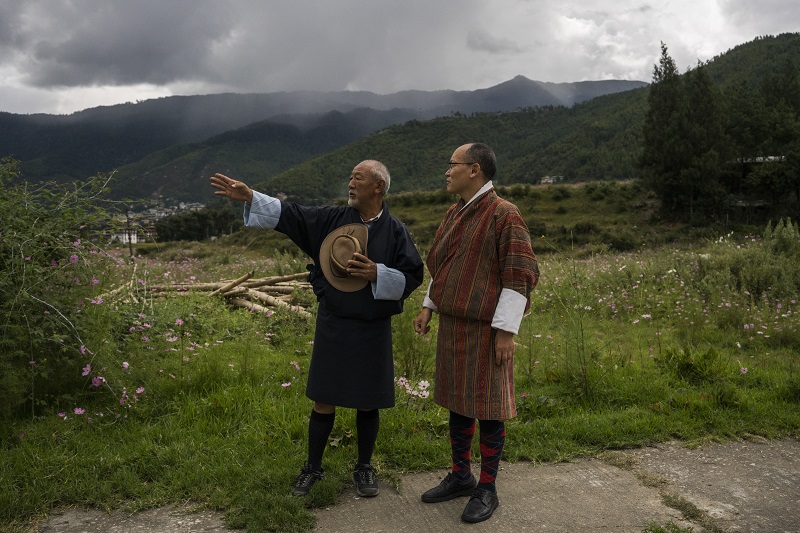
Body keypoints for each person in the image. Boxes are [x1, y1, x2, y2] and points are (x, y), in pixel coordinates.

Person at [210, 160, 424, 498]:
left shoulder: (396, 231)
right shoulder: (332, 219)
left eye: (358, 178)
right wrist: (251, 196)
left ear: (378, 186)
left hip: (372, 327)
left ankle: (364, 466)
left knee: (368, 401)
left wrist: (377, 273)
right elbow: (294, 214)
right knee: (324, 398)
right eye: (350, 177)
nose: (350, 183)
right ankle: (312, 467)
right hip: (334, 322)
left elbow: (412, 275)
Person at [412, 143, 539, 523]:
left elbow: (518, 273)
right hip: (453, 326)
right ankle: (460, 475)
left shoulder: (504, 214)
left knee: (488, 407)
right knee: (459, 403)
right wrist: (428, 305)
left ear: (475, 169)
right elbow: (443, 265)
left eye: (452, 164)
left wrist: (506, 332)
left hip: (487, 330)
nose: (447, 171)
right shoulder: (455, 212)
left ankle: (487, 488)